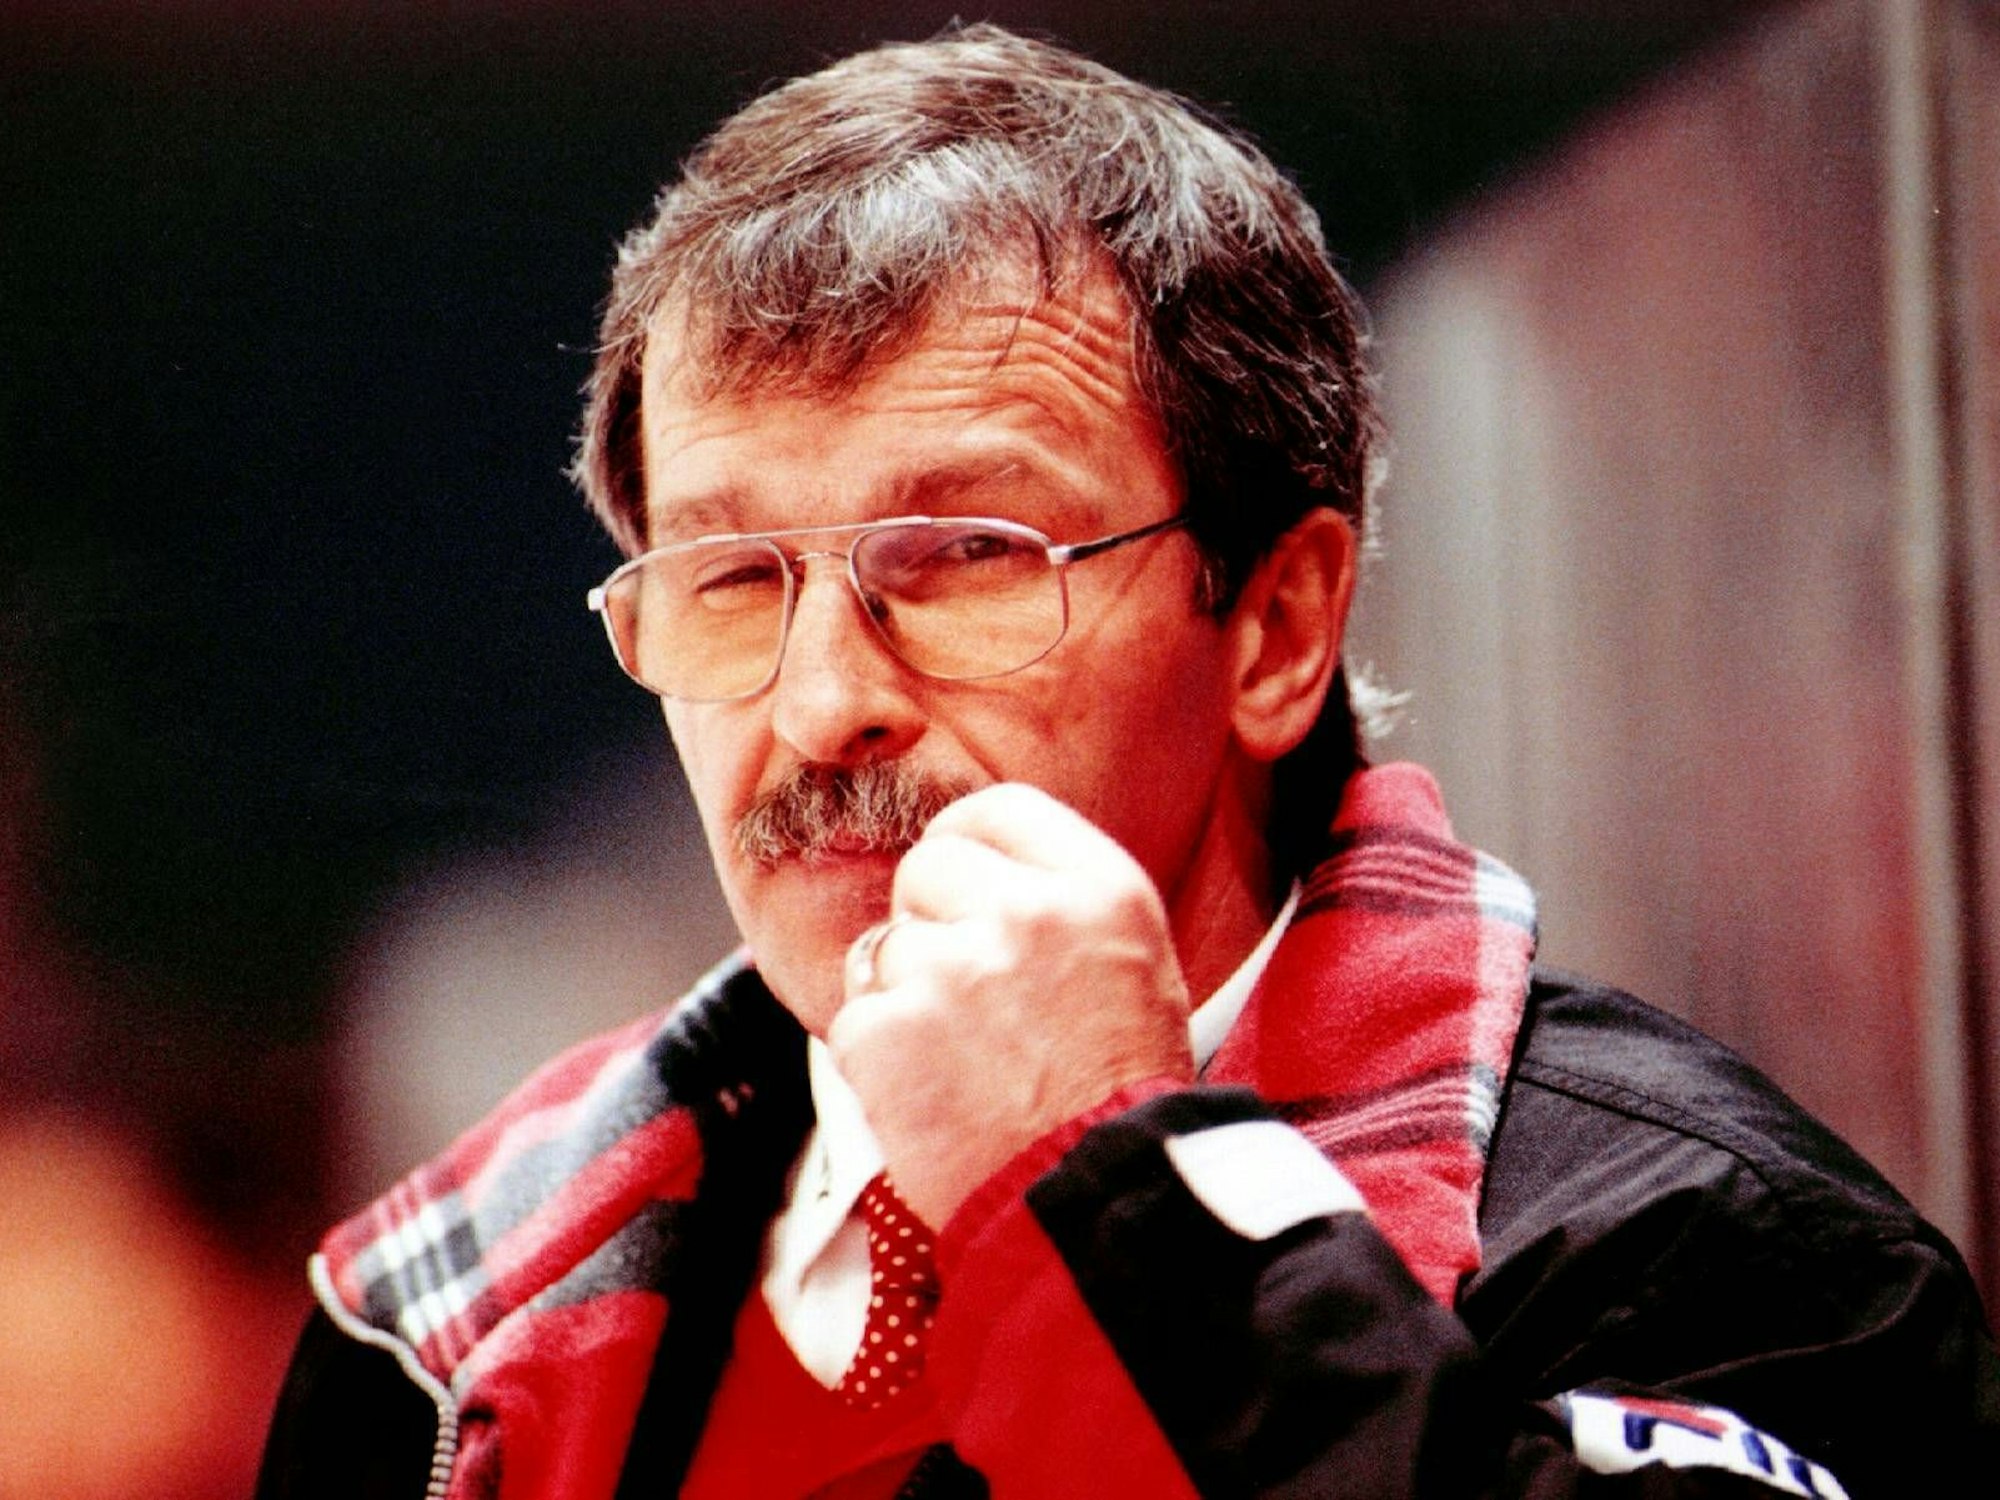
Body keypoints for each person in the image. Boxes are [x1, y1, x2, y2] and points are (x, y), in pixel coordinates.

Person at [258, 24, 1999, 1499]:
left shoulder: (1711, 1249)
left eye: (965, 554)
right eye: (729, 580)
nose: (817, 707)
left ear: (1277, 628)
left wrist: (1107, 1198)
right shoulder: (432, 1324)